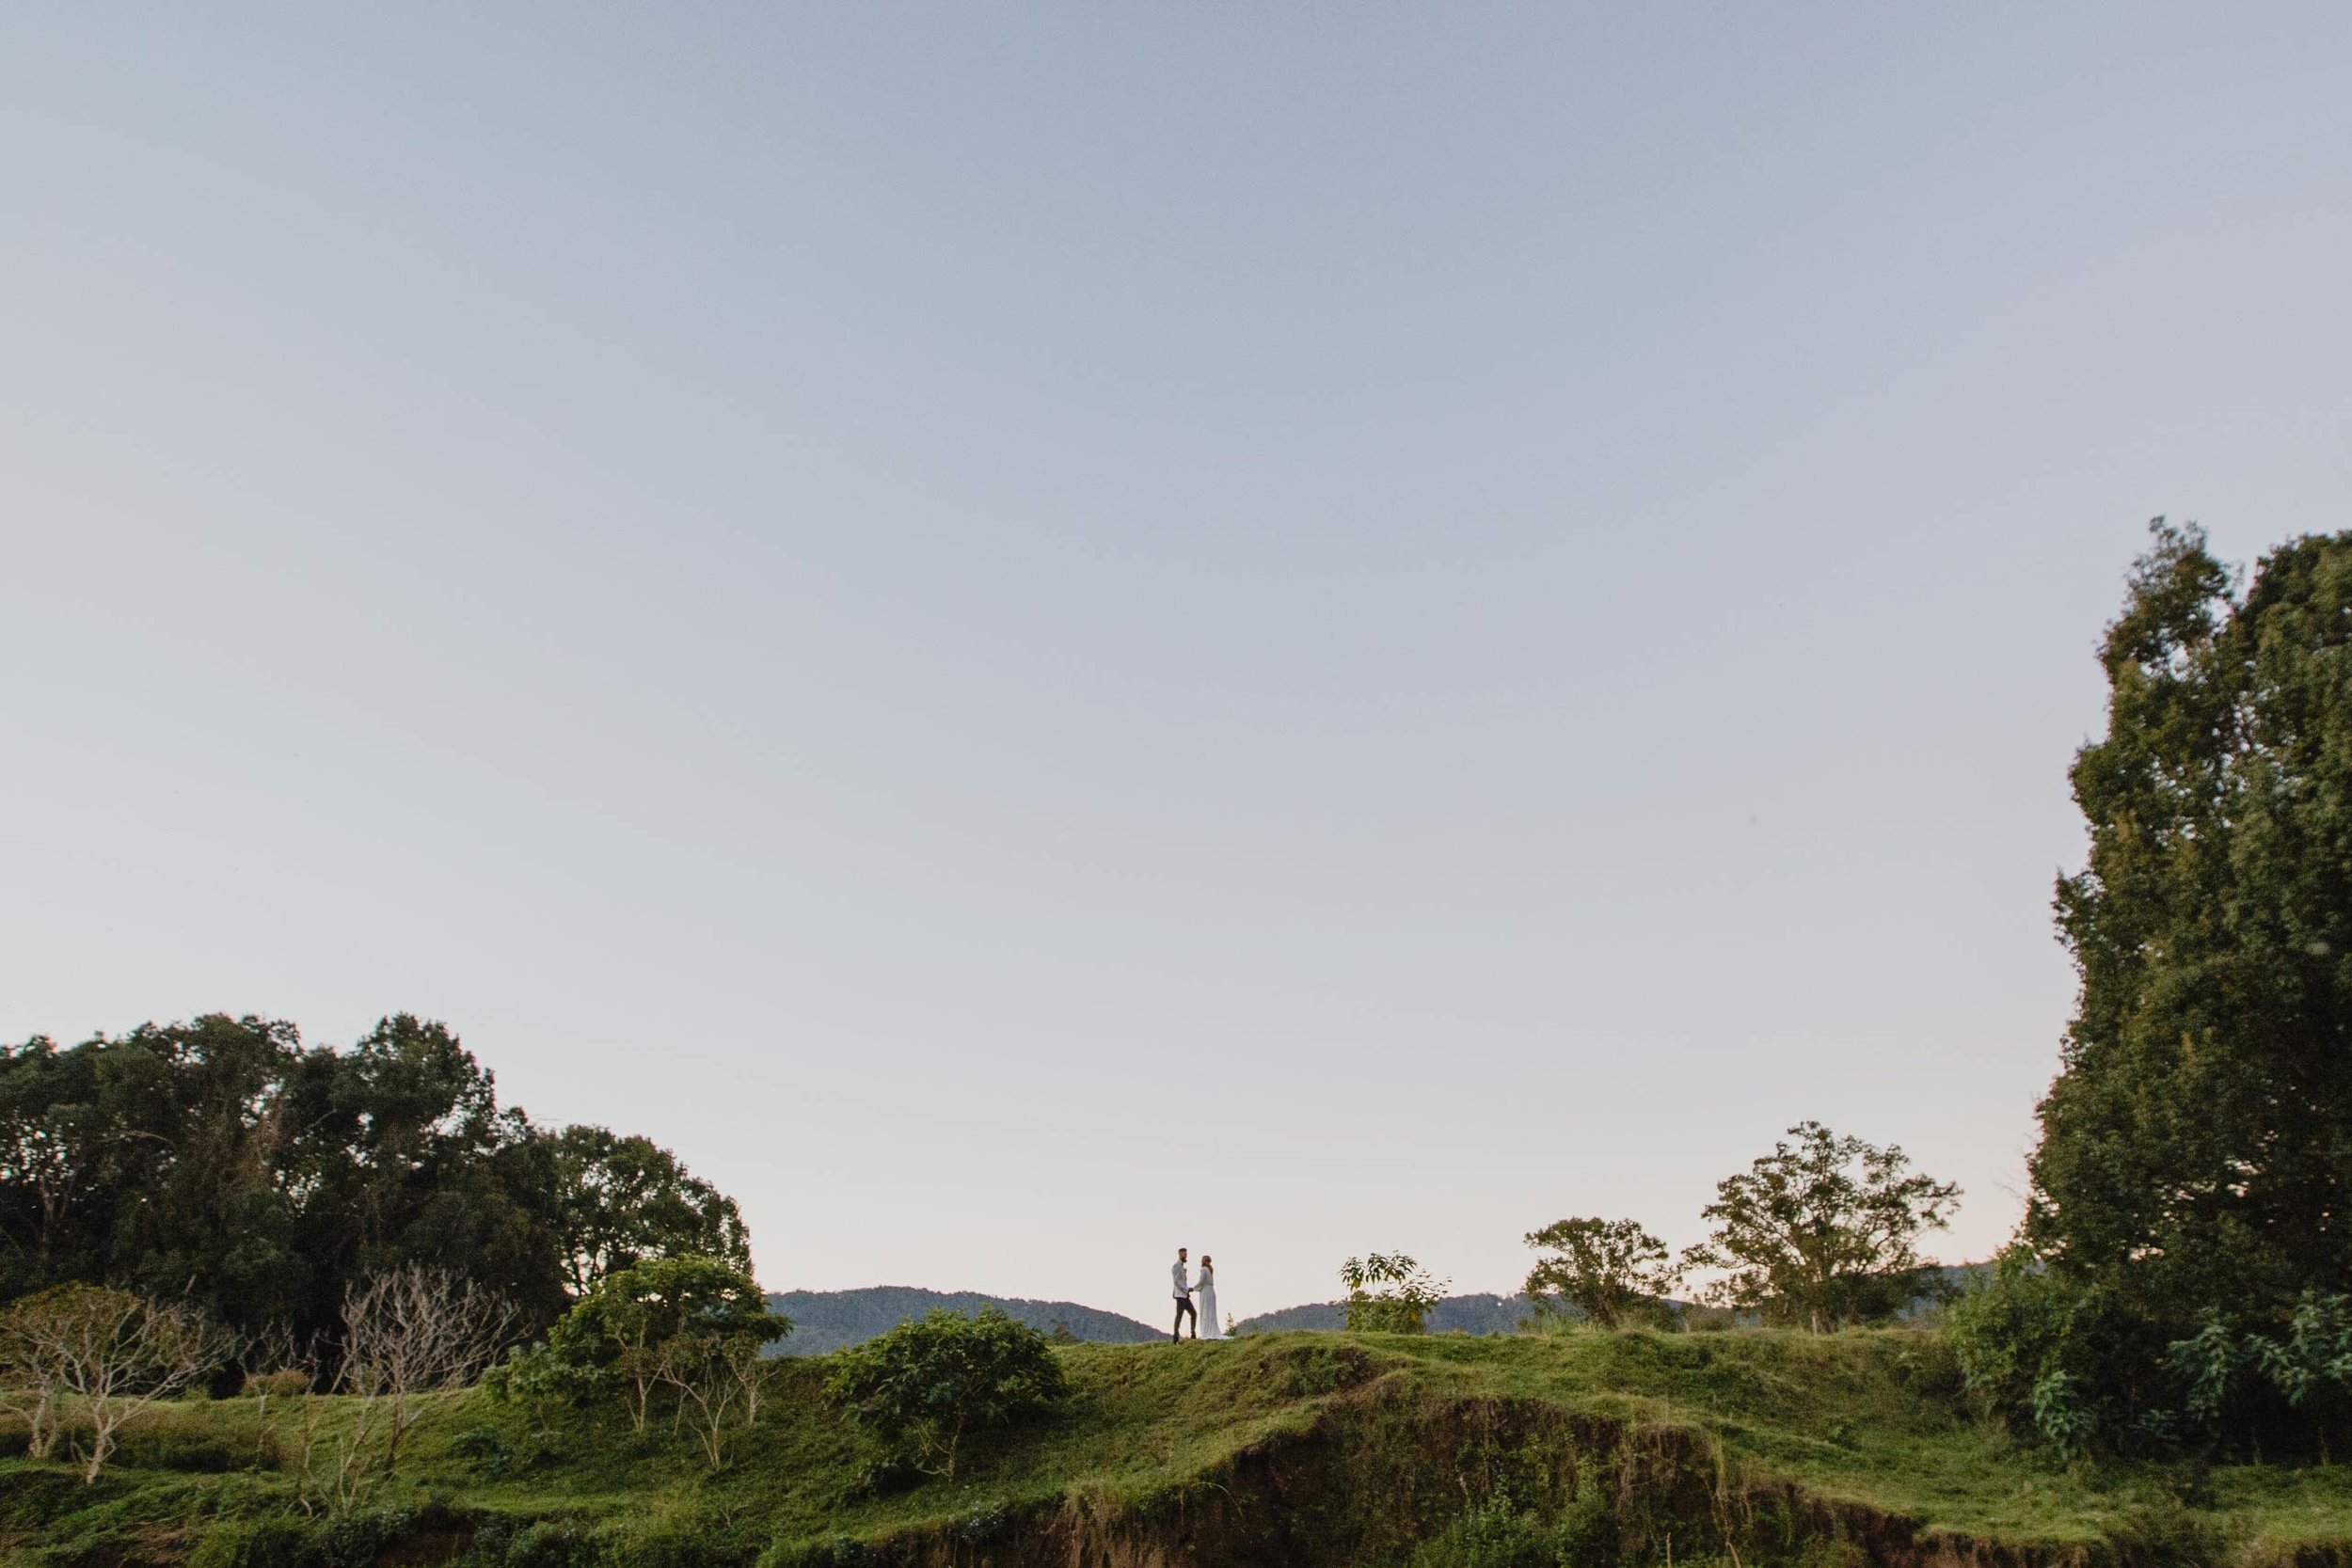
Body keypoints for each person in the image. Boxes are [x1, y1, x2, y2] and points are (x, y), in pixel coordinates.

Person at [1170, 1246, 1197, 1341]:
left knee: (1193, 1313)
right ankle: (1176, 1337)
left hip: (1184, 1296)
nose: (1186, 1256)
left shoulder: (1181, 1266)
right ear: (1180, 1254)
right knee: (1179, 1316)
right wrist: (1186, 1289)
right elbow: (1176, 1281)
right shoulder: (1177, 1265)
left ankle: (1192, 1333)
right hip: (1180, 1296)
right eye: (1185, 1254)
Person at [1195, 1255, 1222, 1339]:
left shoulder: (1204, 1269)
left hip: (1206, 1291)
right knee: (1211, 1312)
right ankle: (1212, 1330)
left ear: (1204, 1261)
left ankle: (1206, 1332)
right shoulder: (1210, 1269)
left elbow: (1201, 1281)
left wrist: (1194, 1288)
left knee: (1205, 1311)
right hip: (1211, 1291)